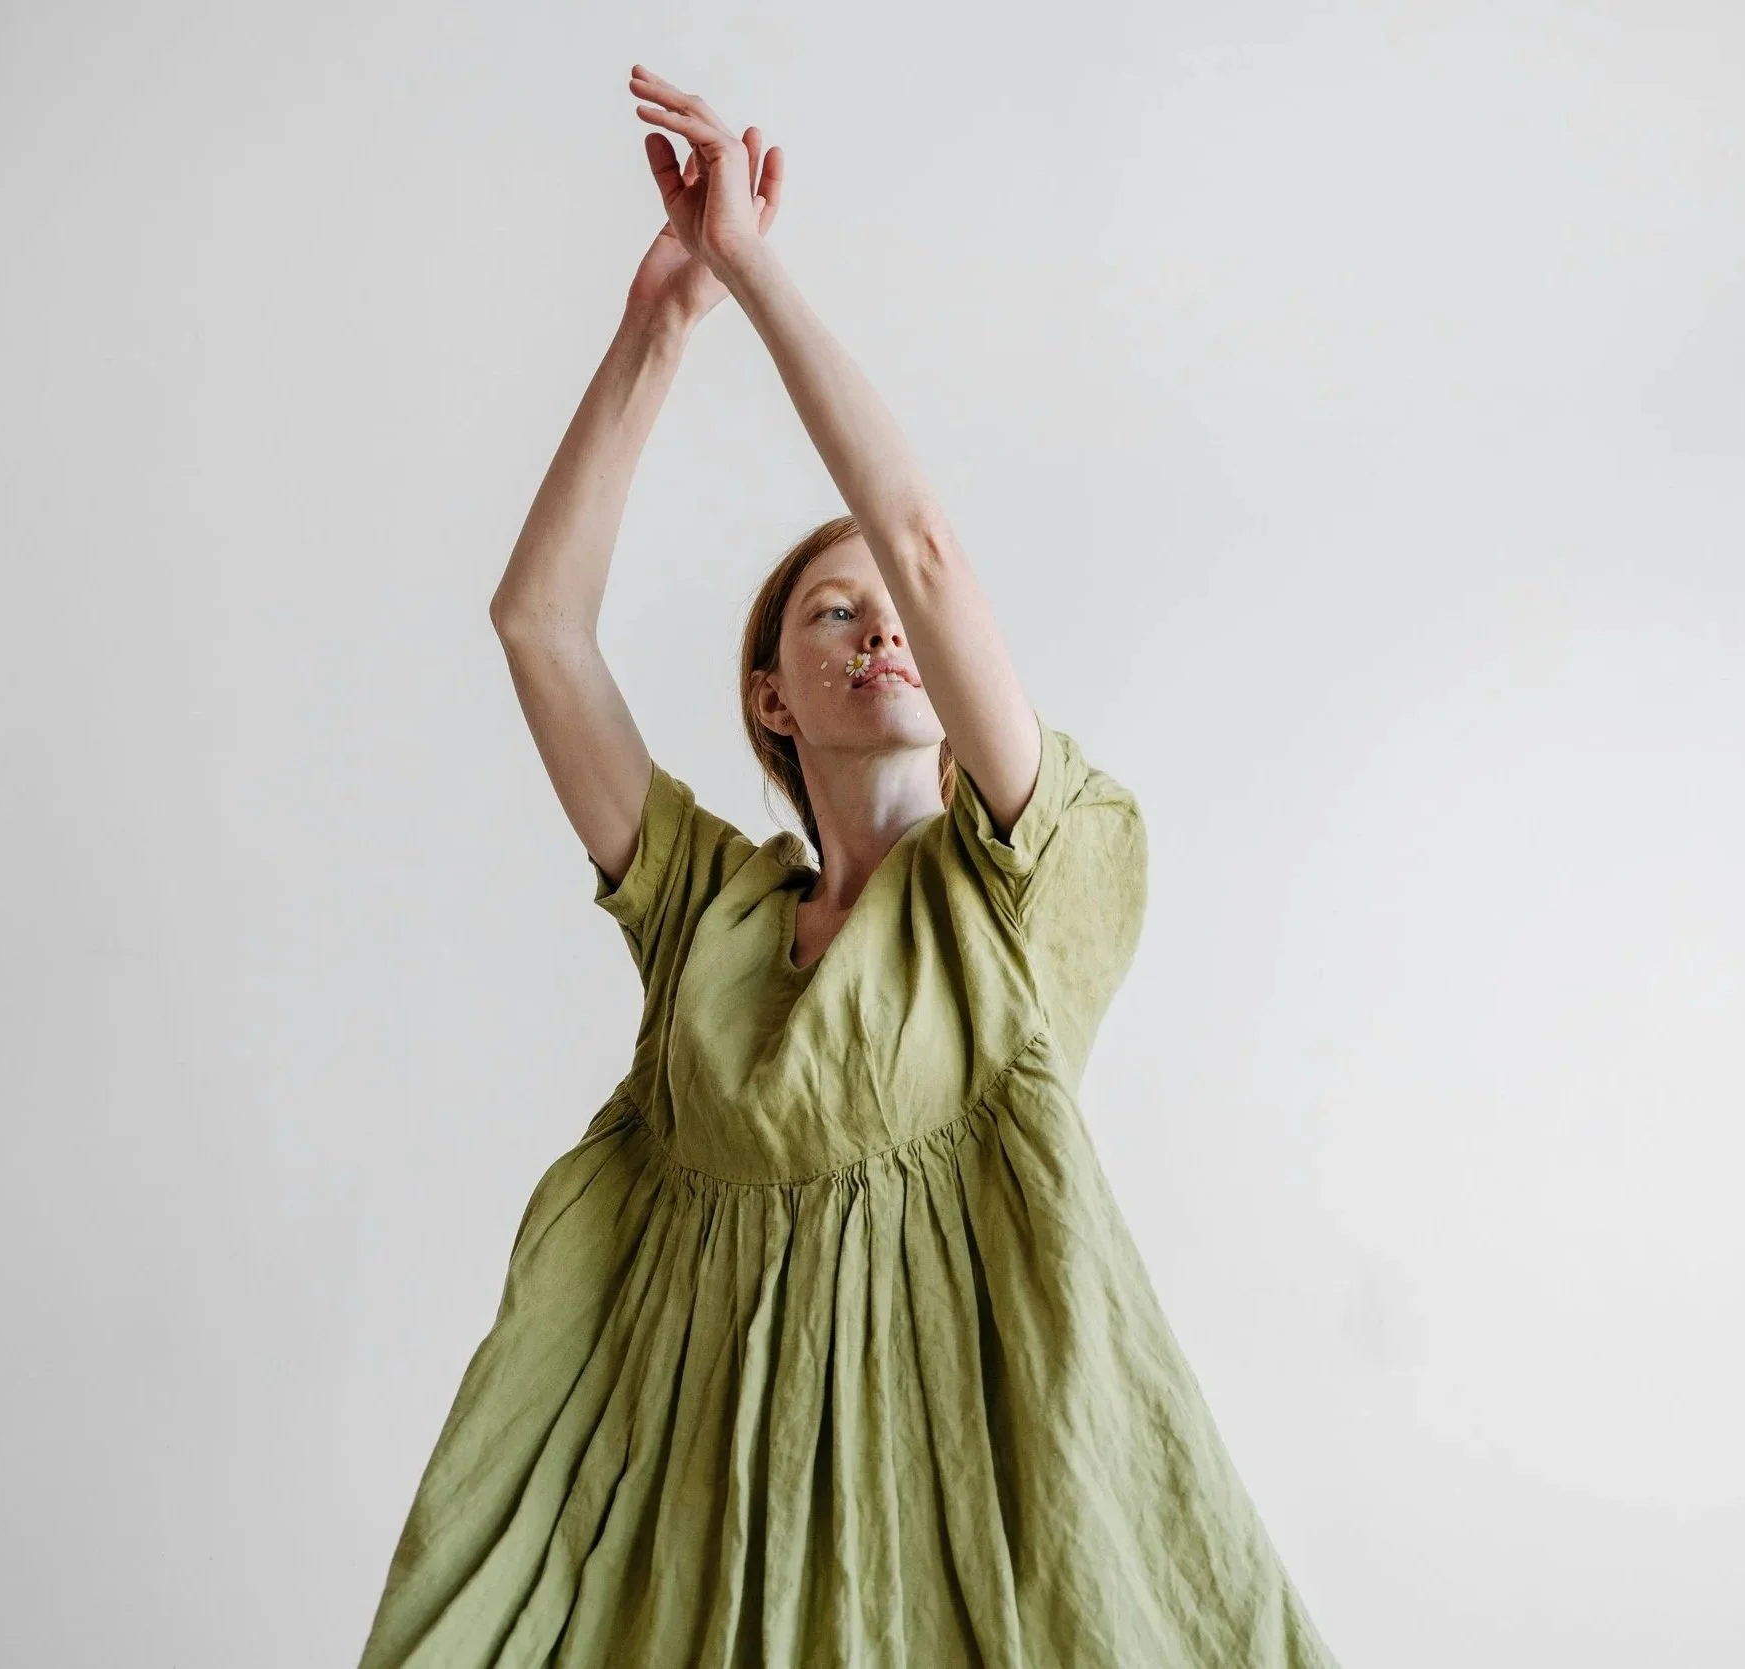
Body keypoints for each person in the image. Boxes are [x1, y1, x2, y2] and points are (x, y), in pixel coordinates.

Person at [353, 64, 1340, 1669]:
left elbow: (930, 544)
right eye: (831, 611)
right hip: (689, 1546)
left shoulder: (1017, 898)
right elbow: (538, 627)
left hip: (965, 1544)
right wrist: (656, 330)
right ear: (771, 697)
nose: (882, 622)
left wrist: (754, 273)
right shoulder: (707, 918)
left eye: (899, 611)